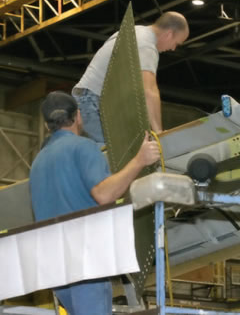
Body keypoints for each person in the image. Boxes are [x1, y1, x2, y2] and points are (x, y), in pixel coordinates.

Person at [29, 91, 160, 315]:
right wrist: (140, 160)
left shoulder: (38, 163)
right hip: (85, 258)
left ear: (47, 123)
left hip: (55, 264)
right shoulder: (83, 147)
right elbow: (104, 194)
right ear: (78, 116)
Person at [72, 11, 189, 143]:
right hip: (92, 102)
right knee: (115, 155)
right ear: (169, 34)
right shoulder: (146, 46)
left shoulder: (136, 31)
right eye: (176, 43)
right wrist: (159, 133)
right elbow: (149, 91)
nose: (173, 48)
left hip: (87, 99)